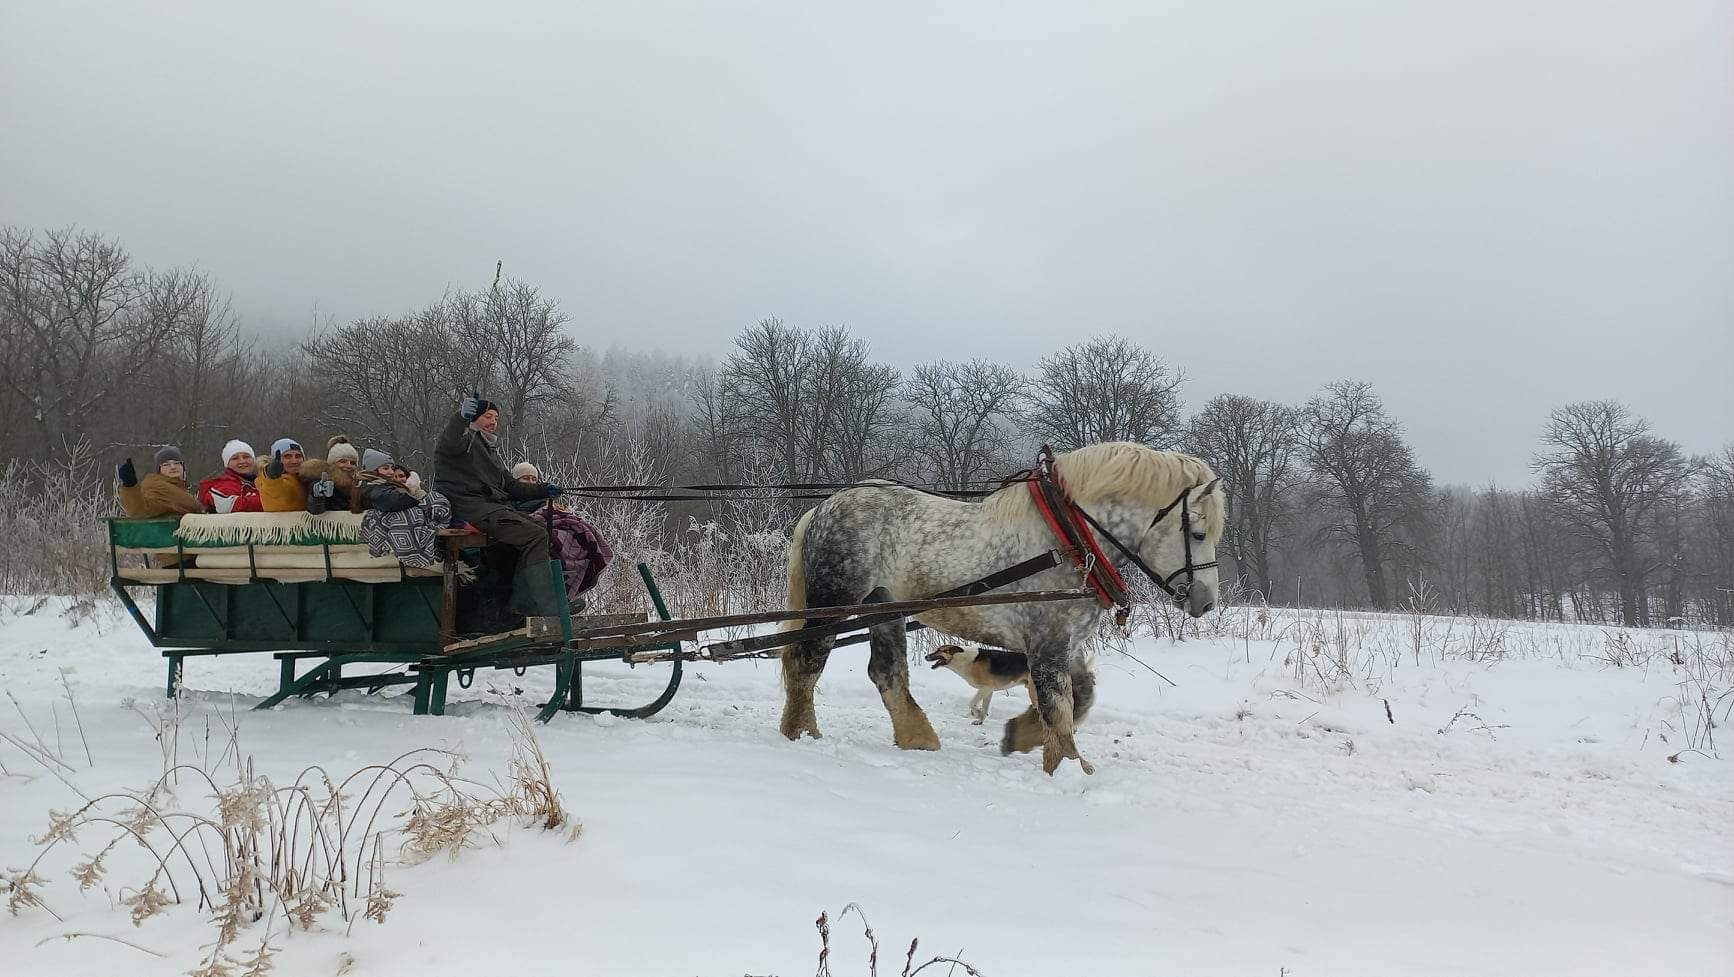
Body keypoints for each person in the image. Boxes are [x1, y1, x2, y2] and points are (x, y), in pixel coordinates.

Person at [435, 393, 564, 618]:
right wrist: (460, 418)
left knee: (540, 529)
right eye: (488, 416)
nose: (493, 421)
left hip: (492, 507)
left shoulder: (489, 452)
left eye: (496, 418)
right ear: (474, 418)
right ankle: (547, 608)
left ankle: (520, 603)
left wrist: (544, 489)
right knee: (535, 535)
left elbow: (512, 486)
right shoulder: (464, 442)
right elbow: (449, 441)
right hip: (471, 508)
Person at [354, 448, 453, 569]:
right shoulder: (371, 488)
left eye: (391, 468)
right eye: (386, 468)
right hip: (395, 519)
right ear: (374, 470)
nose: (391, 472)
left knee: (437, 501)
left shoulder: (384, 485)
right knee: (414, 513)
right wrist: (414, 497)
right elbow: (392, 502)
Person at [117, 446, 202, 518]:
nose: (173, 467)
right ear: (159, 469)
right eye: (166, 464)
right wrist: (130, 485)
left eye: (177, 463)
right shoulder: (157, 487)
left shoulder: (180, 488)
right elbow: (141, 509)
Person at [198, 440, 263, 514]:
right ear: (227, 464)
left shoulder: (262, 482)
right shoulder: (223, 485)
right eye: (235, 458)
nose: (242, 461)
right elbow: (229, 505)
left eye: (246, 457)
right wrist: (270, 501)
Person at [306, 437, 362, 514]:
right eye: (343, 461)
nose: (348, 466)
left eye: (353, 463)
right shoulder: (323, 483)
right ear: (332, 463)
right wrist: (318, 496)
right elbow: (316, 510)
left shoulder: (359, 484)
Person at [258, 438, 307, 512]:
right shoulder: (272, 482)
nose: (294, 461)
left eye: (298, 456)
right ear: (276, 460)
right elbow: (276, 492)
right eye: (287, 456)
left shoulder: (306, 479)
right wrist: (272, 477)